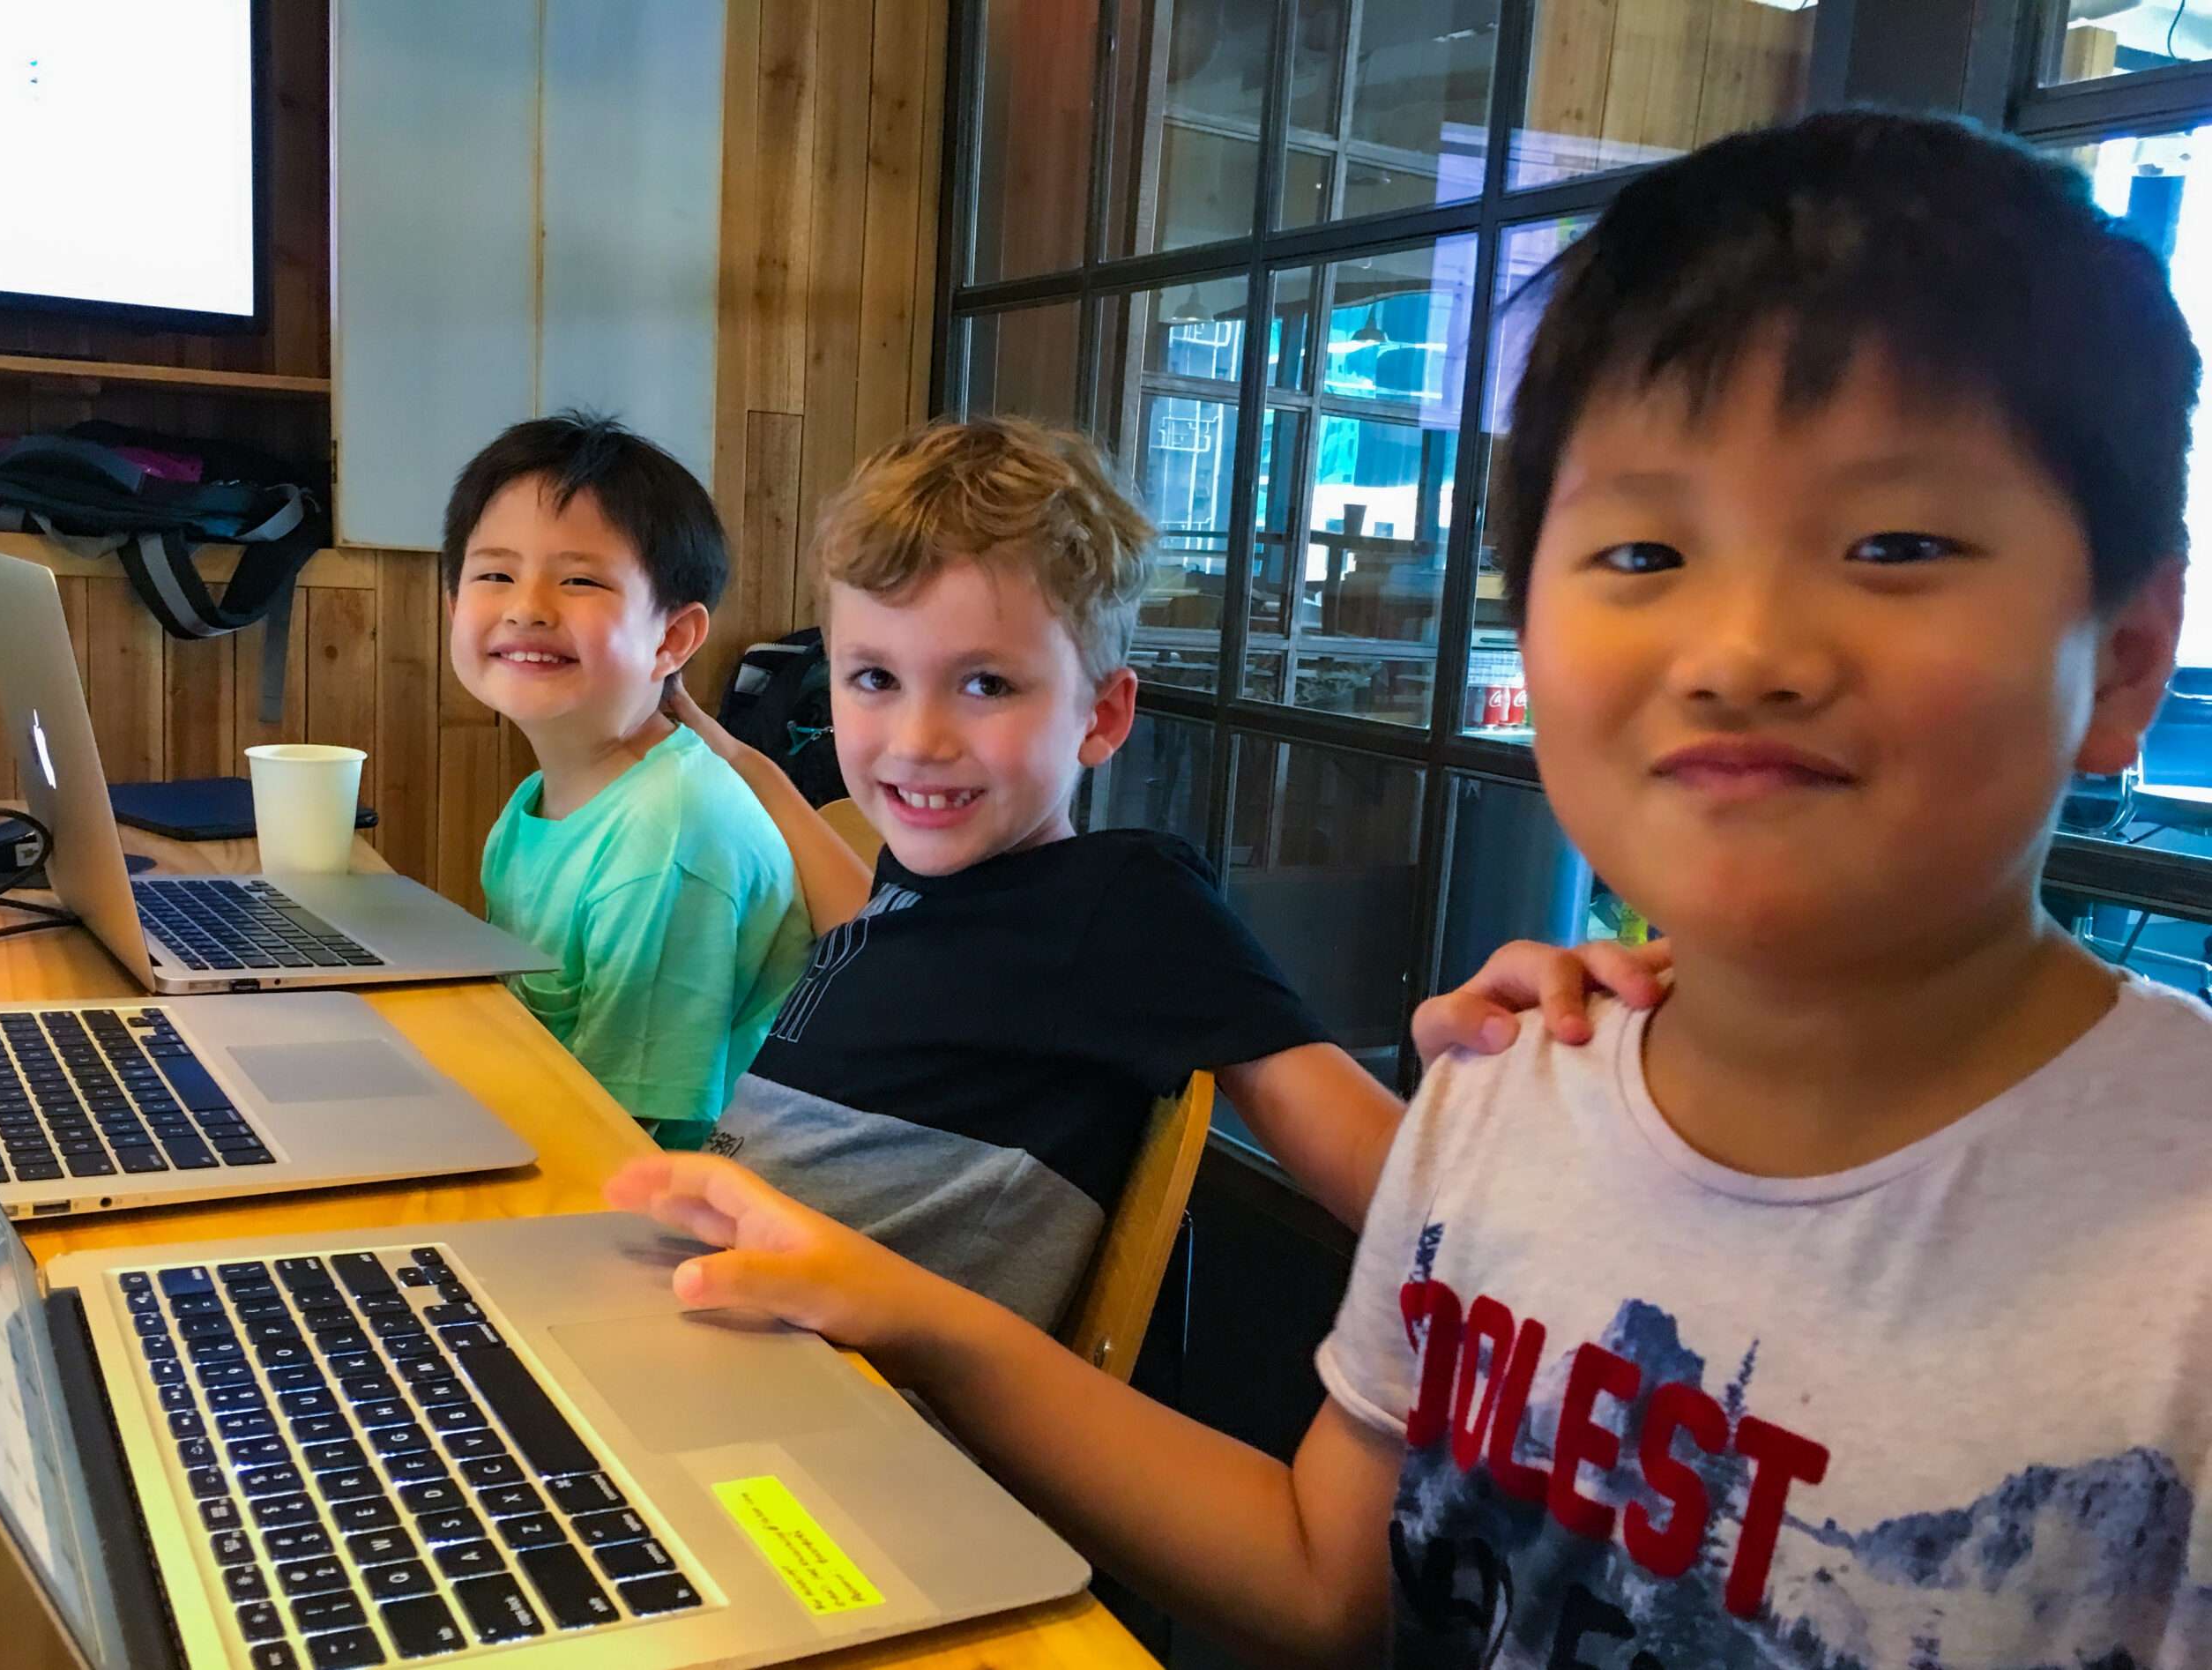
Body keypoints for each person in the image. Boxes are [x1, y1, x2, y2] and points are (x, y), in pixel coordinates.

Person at [609, 110, 2212, 1665]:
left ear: (2130, 655)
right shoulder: (1514, 1104)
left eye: (1896, 542)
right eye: (1646, 555)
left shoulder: (2173, 1240)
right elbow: (1329, 1583)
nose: (1744, 652)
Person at [661, 415, 1410, 1328]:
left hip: (851, 1413)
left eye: (986, 685)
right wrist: (690, 722)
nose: (916, 742)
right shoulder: (901, 886)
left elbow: (1406, 1194)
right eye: (873, 679)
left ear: (1100, 715)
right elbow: (801, 826)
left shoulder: (1122, 906)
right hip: (717, 1314)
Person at [443, 412, 813, 1147]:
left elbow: (633, 1137)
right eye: (494, 574)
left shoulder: (667, 834)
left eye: (579, 579)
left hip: (654, 1203)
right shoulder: (539, 803)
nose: (525, 607)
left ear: (671, 638)